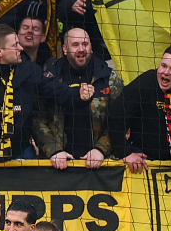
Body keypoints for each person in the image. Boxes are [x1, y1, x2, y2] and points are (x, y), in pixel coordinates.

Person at [0, 24, 87, 169]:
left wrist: (78, 95)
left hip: (22, 154)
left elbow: (55, 90)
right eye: (15, 45)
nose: (21, 48)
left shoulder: (29, 70)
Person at [34, 26, 121, 168]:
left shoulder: (109, 78)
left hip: (101, 163)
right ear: (64, 49)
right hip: (57, 162)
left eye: (85, 44)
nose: (81, 49)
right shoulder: (50, 78)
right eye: (75, 45)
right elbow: (37, 120)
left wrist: (101, 150)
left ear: (91, 47)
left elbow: (120, 121)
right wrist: (54, 150)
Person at [108, 46, 171, 172]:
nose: (166, 72)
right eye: (163, 65)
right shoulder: (144, 83)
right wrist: (126, 153)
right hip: (145, 157)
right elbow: (115, 116)